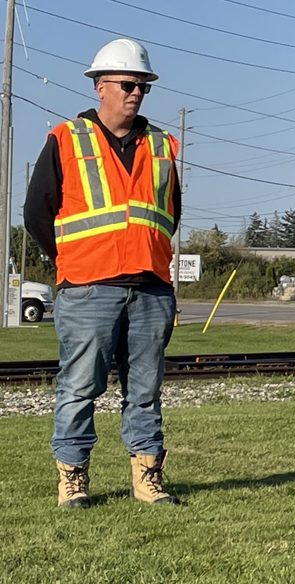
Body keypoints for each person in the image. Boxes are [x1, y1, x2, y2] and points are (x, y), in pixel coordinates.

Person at [24, 38, 182, 508]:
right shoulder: (66, 138)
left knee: (146, 390)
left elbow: (169, 213)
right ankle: (73, 481)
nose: (136, 93)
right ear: (99, 86)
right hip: (88, 288)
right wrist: (73, 260)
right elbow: (37, 214)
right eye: (129, 84)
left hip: (150, 287)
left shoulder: (163, 145)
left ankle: (147, 480)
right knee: (78, 387)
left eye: (143, 86)